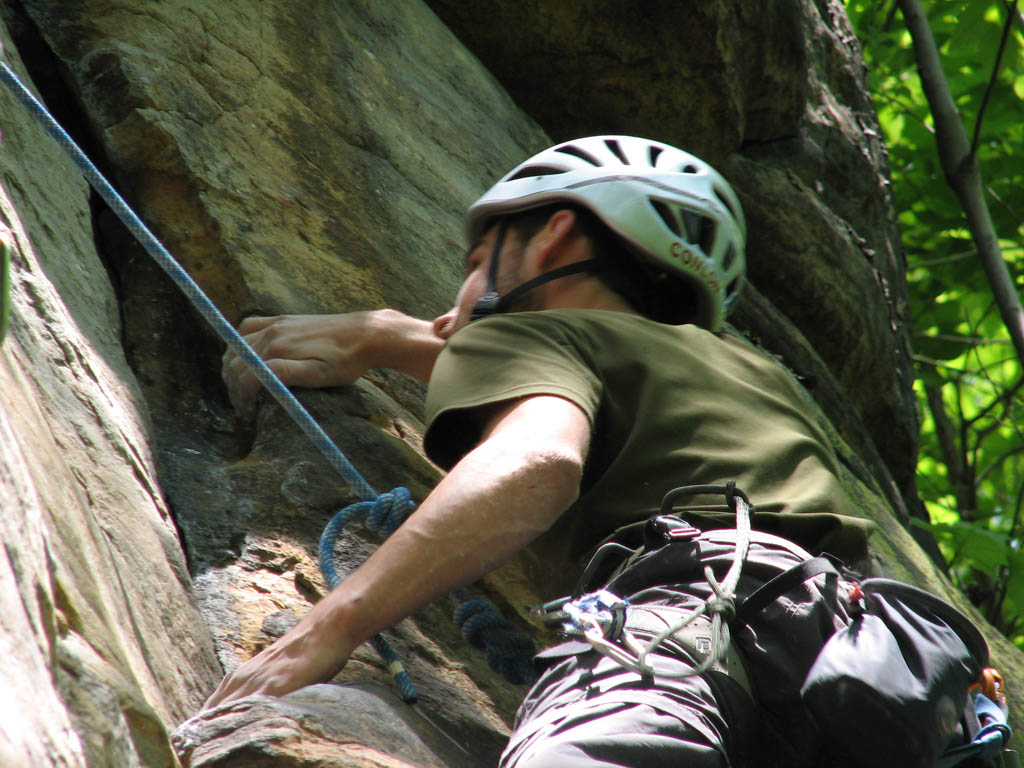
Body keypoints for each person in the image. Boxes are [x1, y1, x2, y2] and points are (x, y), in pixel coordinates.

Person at [206, 136, 877, 766]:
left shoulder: (526, 336)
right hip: (876, 667)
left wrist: (326, 628)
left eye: (472, 267)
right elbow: (597, 365)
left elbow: (539, 460)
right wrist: (386, 338)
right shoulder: (762, 379)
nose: (449, 313)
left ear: (553, 236)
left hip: (684, 633)